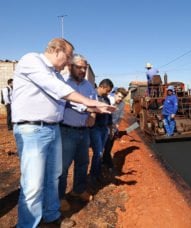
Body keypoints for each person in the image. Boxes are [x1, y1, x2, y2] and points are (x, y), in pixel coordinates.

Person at [12, 38, 115, 227]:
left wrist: (94, 109)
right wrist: (90, 102)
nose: (69, 62)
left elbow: (69, 100)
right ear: (56, 50)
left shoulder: (57, 75)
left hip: (52, 129)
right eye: (68, 57)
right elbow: (58, 90)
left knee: (53, 177)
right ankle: (26, 224)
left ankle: (51, 216)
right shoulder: (31, 60)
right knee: (33, 184)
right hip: (33, 129)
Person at [59, 54, 97, 211]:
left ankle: (78, 190)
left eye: (84, 67)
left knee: (82, 163)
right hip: (66, 131)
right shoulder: (63, 83)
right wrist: (88, 108)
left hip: (84, 132)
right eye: (79, 67)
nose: (82, 70)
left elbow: (93, 103)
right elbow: (69, 102)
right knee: (62, 167)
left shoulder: (88, 86)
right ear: (70, 67)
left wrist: (93, 115)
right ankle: (59, 197)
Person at [89, 79, 114, 184]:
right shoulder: (92, 97)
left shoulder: (106, 99)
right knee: (98, 152)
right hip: (95, 128)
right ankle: (93, 176)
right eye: (107, 90)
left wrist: (110, 127)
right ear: (102, 87)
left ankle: (97, 173)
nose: (108, 93)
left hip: (104, 128)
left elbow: (109, 115)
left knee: (101, 152)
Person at [103, 87, 128, 171]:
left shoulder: (122, 104)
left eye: (122, 97)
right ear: (115, 94)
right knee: (104, 145)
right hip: (104, 124)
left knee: (110, 144)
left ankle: (105, 160)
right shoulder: (109, 100)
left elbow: (120, 116)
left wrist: (116, 126)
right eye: (119, 96)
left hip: (113, 126)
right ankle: (106, 163)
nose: (120, 99)